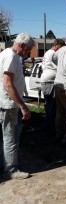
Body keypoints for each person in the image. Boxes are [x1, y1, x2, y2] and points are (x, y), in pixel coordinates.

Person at [0, 32, 35, 179]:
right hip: (9, 104)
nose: (28, 53)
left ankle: (6, 164)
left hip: (8, 102)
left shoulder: (7, 54)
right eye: (28, 50)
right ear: (22, 45)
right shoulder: (11, 56)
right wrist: (22, 106)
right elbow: (8, 84)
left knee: (8, 136)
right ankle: (11, 170)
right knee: (10, 137)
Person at [40, 38, 65, 133]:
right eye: (60, 47)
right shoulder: (53, 54)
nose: (61, 49)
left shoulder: (48, 53)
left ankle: (48, 125)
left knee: (49, 105)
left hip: (47, 80)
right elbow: (60, 67)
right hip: (49, 81)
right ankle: (52, 127)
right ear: (56, 45)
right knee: (52, 106)